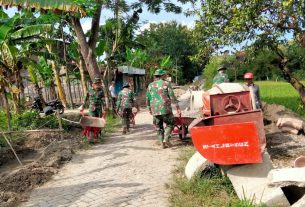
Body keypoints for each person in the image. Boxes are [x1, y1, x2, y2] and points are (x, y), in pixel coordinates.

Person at [146, 69, 181, 149]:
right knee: (170, 124)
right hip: (166, 109)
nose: (165, 76)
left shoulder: (150, 85)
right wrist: (177, 107)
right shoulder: (166, 83)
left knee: (159, 127)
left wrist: (149, 108)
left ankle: (162, 143)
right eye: (164, 75)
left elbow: (148, 98)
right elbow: (171, 96)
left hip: (155, 109)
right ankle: (166, 139)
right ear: (162, 75)